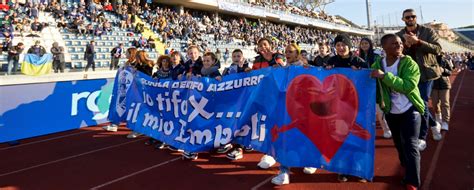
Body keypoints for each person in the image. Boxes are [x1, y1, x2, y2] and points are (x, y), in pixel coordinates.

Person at [371, 33, 424, 190]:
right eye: (394, 44)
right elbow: (366, 78)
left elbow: (407, 86)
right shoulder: (378, 64)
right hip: (391, 112)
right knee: (399, 145)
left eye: (400, 43)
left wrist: (384, 76)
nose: (399, 45)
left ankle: (413, 181)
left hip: (410, 110)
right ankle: (406, 165)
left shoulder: (409, 63)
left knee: (411, 145)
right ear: (384, 47)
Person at [396, 9, 443, 151]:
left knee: (421, 102)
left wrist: (419, 42)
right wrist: (406, 47)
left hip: (426, 74)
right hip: (409, 75)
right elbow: (396, 53)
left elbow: (438, 49)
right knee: (417, 103)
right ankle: (434, 124)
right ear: (403, 19)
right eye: (407, 17)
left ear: (416, 18)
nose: (410, 18)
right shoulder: (399, 35)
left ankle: (422, 137)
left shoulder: (428, 32)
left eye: (413, 16)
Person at [271, 43, 317, 186]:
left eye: (290, 52)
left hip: (304, 110)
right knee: (285, 139)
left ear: (297, 54)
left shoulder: (306, 68)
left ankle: (311, 161)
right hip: (287, 110)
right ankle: (284, 172)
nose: (287, 54)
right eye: (286, 52)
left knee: (306, 137)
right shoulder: (284, 69)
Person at [325, 33, 367, 183]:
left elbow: (368, 81)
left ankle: (360, 170)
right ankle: (342, 169)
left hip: (357, 106)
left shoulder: (358, 61)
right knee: (340, 137)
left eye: (343, 45)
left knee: (357, 137)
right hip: (337, 106)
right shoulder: (332, 61)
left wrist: (360, 74)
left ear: (349, 46)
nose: (341, 48)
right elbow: (324, 78)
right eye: (338, 45)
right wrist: (326, 70)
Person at [252, 37, 285, 169]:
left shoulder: (277, 56)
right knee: (268, 124)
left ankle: (282, 154)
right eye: (260, 45)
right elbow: (253, 77)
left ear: (270, 45)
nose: (263, 47)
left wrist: (279, 66)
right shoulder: (256, 61)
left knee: (281, 124)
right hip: (266, 97)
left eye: (265, 44)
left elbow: (284, 70)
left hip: (280, 96)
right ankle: (270, 153)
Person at [183, 52, 222, 161]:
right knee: (198, 125)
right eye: (204, 60)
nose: (205, 62)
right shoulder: (200, 71)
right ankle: (195, 148)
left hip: (211, 104)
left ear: (213, 62)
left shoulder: (215, 72)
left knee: (208, 126)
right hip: (201, 102)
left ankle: (209, 145)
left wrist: (219, 79)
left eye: (208, 60)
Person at [359, 38, 392, 138]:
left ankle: (386, 129)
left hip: (377, 86)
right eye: (362, 44)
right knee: (367, 111)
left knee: (379, 110)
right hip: (364, 87)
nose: (364, 45)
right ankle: (368, 131)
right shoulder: (357, 57)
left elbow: (380, 68)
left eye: (366, 43)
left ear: (370, 44)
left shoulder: (376, 56)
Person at [431, 53, 453, 131]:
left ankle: (445, 122)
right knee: (435, 103)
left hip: (444, 85)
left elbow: (450, 71)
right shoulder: (430, 60)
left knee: (445, 103)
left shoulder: (445, 60)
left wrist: (443, 70)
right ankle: (438, 117)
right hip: (433, 85)